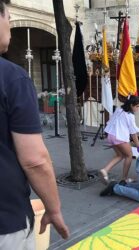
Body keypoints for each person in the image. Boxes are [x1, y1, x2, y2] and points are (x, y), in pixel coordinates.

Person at [0, 0, 69, 247]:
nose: (9, 25)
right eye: (8, 18)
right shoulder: (11, 78)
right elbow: (35, 160)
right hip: (6, 221)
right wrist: (54, 208)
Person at [100, 96, 139, 185]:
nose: (138, 109)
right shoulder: (130, 116)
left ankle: (105, 170)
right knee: (129, 155)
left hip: (110, 135)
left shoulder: (119, 109)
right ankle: (124, 179)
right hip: (119, 137)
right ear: (131, 105)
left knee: (120, 155)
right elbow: (133, 133)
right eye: (137, 106)